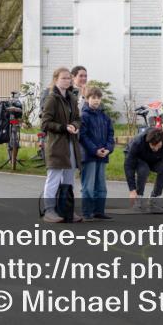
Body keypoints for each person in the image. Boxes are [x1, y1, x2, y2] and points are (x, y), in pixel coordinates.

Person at [40, 67, 83, 223]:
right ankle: (49, 210)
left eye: (69, 78)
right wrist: (63, 127)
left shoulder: (72, 97)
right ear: (56, 79)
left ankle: (67, 210)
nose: (67, 81)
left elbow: (78, 118)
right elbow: (45, 124)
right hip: (56, 144)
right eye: (64, 78)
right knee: (54, 177)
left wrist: (75, 125)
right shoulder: (52, 98)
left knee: (69, 178)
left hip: (71, 143)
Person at [78, 86, 114, 221]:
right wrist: (95, 150)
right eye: (93, 98)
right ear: (87, 99)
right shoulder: (84, 116)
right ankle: (87, 213)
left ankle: (99, 211)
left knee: (101, 186)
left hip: (103, 155)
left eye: (98, 98)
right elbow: (83, 136)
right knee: (88, 186)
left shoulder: (105, 116)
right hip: (89, 156)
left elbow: (111, 134)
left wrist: (108, 149)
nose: (96, 101)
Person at [125, 128, 163, 210]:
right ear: (148, 142)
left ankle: (154, 198)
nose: (155, 148)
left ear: (162, 141)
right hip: (140, 158)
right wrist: (132, 190)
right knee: (143, 170)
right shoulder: (138, 142)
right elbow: (129, 166)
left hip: (155, 159)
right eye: (152, 146)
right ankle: (138, 197)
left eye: (158, 146)